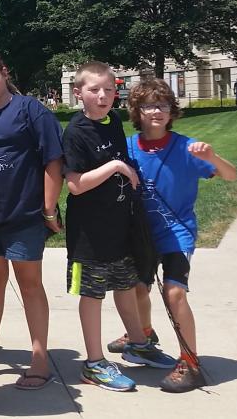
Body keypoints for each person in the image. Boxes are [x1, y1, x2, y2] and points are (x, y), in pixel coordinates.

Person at [117, 79, 237, 392]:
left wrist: (212, 157)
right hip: (142, 234)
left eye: (163, 105)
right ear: (137, 112)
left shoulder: (187, 148)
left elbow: (231, 175)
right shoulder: (127, 148)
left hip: (176, 233)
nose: (156, 111)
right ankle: (143, 335)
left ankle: (190, 361)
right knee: (136, 288)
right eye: (148, 105)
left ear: (172, 111)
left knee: (174, 293)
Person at [63, 62, 176, 393]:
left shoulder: (113, 120)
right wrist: (115, 166)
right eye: (94, 90)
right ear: (78, 93)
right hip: (89, 236)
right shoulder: (76, 132)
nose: (103, 96)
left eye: (109, 90)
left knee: (126, 286)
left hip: (120, 226)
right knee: (92, 295)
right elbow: (75, 185)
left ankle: (138, 343)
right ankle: (94, 362)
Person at [0, 50, 62, 389]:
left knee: (30, 285)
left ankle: (39, 357)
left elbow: (53, 160)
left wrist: (49, 208)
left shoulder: (29, 109)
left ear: (4, 72)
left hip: (25, 215)